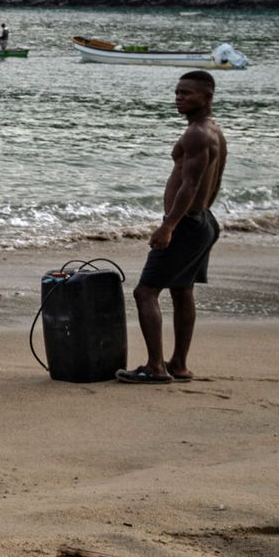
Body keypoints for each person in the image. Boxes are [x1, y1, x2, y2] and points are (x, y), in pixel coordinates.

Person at [117, 71, 227, 384]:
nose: (179, 97)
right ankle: (178, 364)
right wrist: (197, 217)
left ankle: (155, 367)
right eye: (177, 92)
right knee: (182, 291)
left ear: (206, 97)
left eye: (187, 93)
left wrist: (169, 226)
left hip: (188, 224)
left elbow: (190, 185)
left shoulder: (196, 134)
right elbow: (209, 185)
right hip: (202, 221)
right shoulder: (212, 130)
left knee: (145, 292)